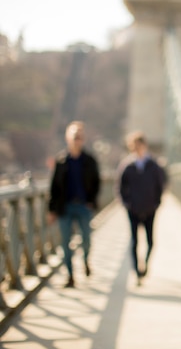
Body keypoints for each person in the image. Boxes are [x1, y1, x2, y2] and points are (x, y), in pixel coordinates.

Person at [48, 121, 101, 288]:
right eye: (74, 136)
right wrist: (52, 210)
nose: (77, 140)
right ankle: (70, 276)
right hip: (65, 207)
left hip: (84, 206)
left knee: (86, 240)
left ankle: (86, 261)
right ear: (67, 138)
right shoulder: (61, 160)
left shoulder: (90, 160)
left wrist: (92, 201)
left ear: (83, 139)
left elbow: (97, 182)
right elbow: (54, 187)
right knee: (66, 243)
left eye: (80, 137)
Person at [116, 130, 167, 285]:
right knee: (134, 241)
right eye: (134, 146)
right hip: (133, 209)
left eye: (140, 145)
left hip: (150, 208)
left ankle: (145, 263)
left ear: (144, 146)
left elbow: (161, 185)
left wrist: (156, 203)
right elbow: (120, 187)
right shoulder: (127, 166)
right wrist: (127, 204)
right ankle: (137, 272)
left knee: (151, 241)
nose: (137, 149)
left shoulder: (153, 165)